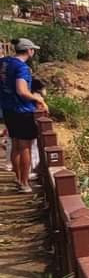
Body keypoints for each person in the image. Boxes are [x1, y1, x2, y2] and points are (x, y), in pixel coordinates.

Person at [1, 38, 47, 193]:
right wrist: (38, 98)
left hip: (7, 109)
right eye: (33, 49)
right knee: (25, 147)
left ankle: (18, 178)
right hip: (22, 110)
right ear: (29, 51)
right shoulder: (22, 68)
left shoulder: (4, 62)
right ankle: (24, 182)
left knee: (15, 144)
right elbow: (22, 90)